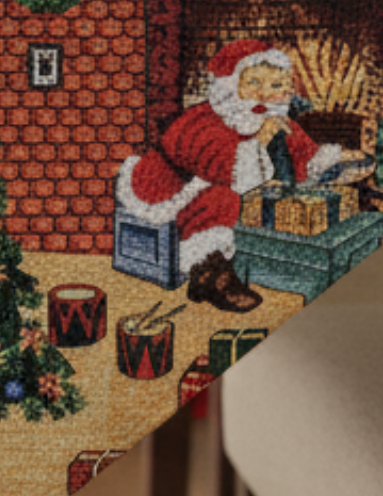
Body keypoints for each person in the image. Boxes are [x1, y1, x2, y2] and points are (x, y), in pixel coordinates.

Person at [116, 39, 362, 312]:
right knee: (225, 199)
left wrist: (334, 158)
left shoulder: (275, 121)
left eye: (276, 86)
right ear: (232, 86)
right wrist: (260, 141)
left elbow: (302, 151)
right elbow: (222, 169)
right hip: (168, 188)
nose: (264, 94)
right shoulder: (203, 121)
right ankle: (209, 272)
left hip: (213, 184)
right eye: (254, 83)